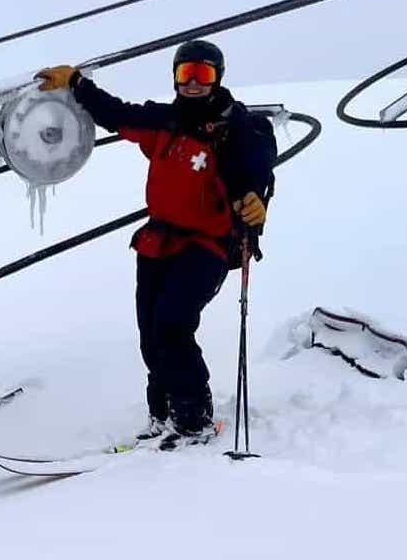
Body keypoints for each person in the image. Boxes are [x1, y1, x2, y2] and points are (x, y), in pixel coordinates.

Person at [35, 40, 276, 443]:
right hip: (158, 241)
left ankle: (193, 419)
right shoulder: (164, 121)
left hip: (208, 244)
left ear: (217, 78)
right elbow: (116, 114)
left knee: (172, 325)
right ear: (176, 77)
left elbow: (256, 162)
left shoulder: (235, 127)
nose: (195, 84)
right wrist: (76, 83)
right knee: (151, 331)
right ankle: (162, 414)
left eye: (204, 74)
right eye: (187, 74)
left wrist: (253, 196)